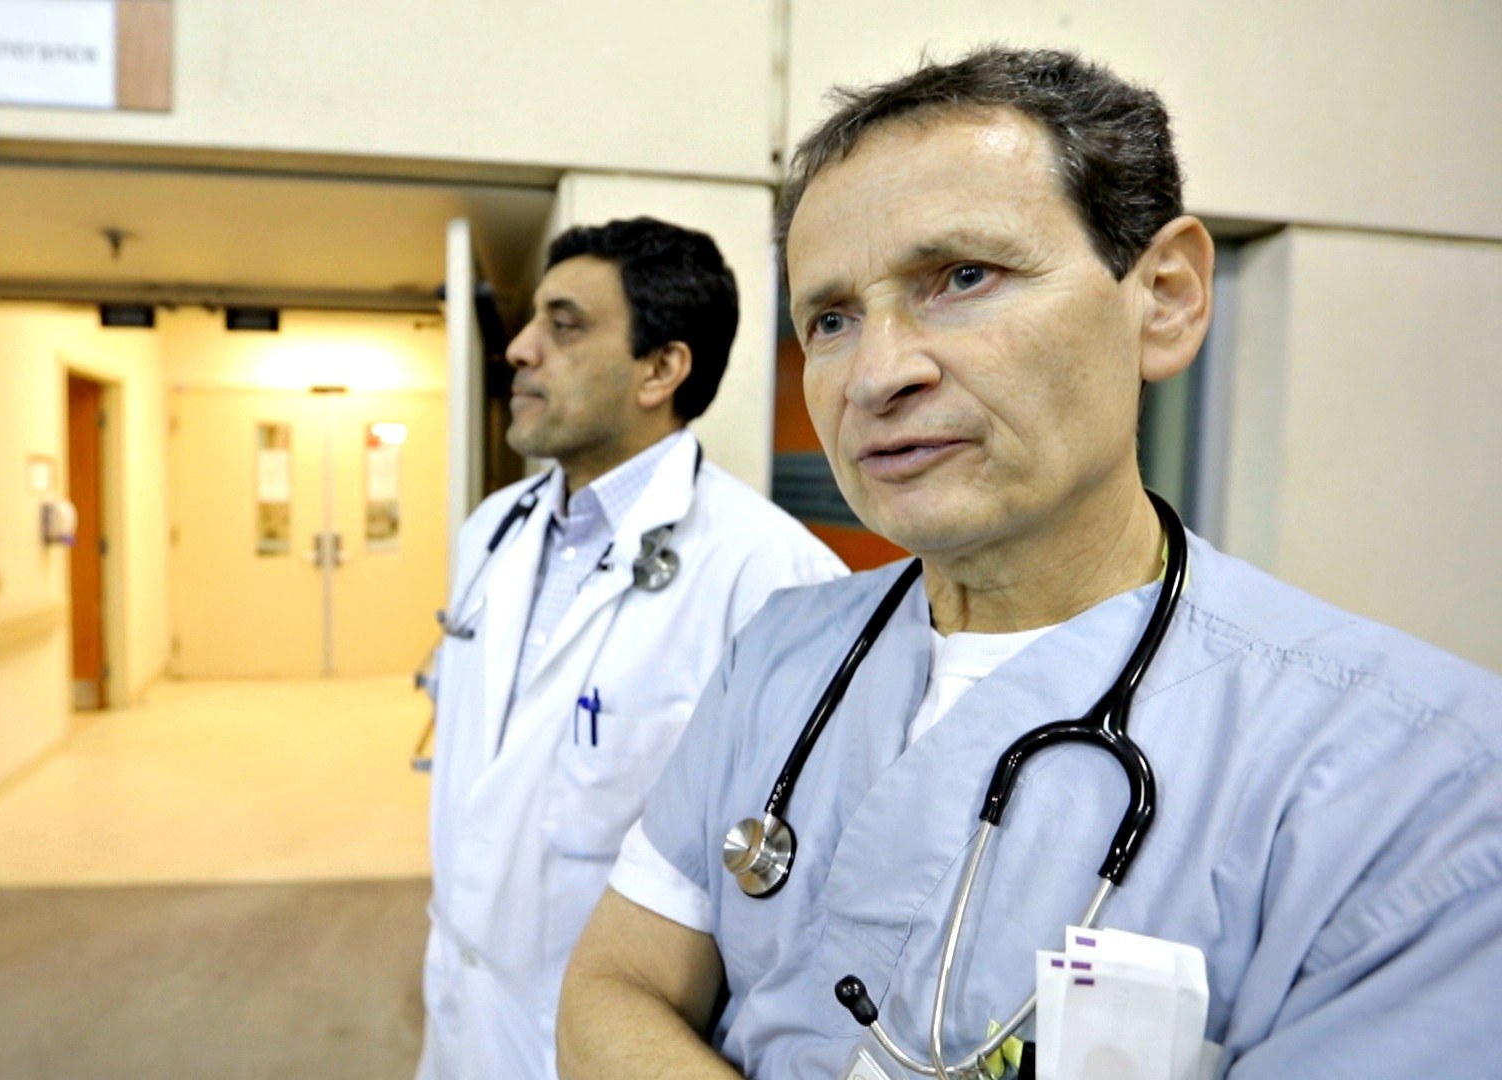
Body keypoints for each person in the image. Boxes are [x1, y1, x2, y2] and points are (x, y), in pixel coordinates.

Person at [558, 48, 1502, 1079]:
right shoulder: (780, 654)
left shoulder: (1425, 785)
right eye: (831, 318)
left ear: (1169, 297)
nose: (875, 376)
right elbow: (614, 989)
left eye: (963, 277)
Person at [418, 217, 846, 1079]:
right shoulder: (490, 533)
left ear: (662, 369)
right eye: (533, 320)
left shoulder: (773, 575)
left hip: (613, 1041)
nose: (521, 350)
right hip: (459, 1021)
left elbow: (802, 879)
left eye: (565, 324)